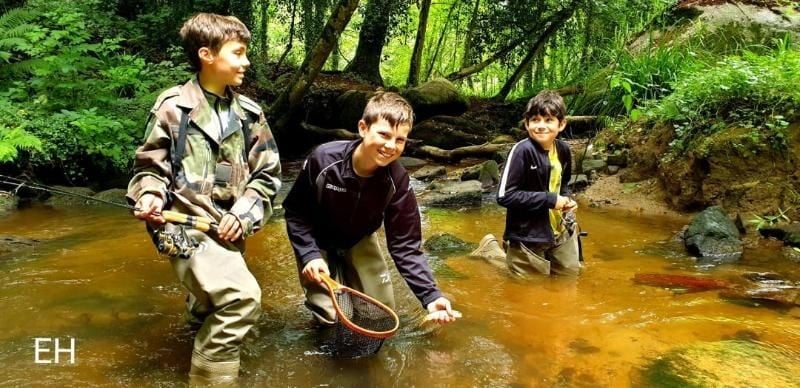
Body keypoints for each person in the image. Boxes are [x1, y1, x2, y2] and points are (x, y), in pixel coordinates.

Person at [126, 13, 281, 384]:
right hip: (181, 229)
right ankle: (210, 380)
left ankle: (192, 345)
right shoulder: (172, 107)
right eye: (238, 52)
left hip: (229, 231)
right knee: (241, 300)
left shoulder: (249, 114)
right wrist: (148, 197)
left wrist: (243, 215)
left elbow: (269, 176)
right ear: (206, 55)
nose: (246, 61)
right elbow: (149, 169)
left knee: (209, 307)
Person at [283, 92, 458, 335]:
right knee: (331, 318)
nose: (390, 146)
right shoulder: (322, 160)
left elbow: (405, 245)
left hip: (359, 238)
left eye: (400, 140)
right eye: (384, 135)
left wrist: (431, 296)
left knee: (379, 316)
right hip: (316, 239)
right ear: (363, 128)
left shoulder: (397, 181)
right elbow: (295, 212)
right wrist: (309, 254)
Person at [479, 90, 581, 277]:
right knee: (529, 291)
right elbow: (504, 196)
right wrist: (549, 200)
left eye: (549, 120)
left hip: (559, 232)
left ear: (562, 124)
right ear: (527, 124)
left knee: (569, 280)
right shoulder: (521, 151)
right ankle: (491, 251)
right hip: (527, 237)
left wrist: (568, 200)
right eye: (535, 120)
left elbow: (563, 184)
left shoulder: (564, 150)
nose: (541, 126)